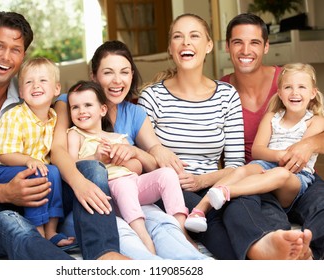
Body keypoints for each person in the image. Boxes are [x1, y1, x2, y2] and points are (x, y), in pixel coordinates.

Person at [0, 11, 127, 260]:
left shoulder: (26, 88)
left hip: (30, 195)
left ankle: (105, 255)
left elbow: (62, 101)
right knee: (10, 222)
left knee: (91, 170)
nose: (6, 56)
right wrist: (5, 193)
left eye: (15, 49)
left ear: (23, 56)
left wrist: (59, 111)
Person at [138, 13, 309, 260]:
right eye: (178, 37)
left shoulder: (226, 95)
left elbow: (236, 165)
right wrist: (161, 158)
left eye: (194, 36)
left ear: (208, 45)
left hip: (212, 182)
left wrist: (203, 181)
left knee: (239, 198)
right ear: (170, 48)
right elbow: (143, 162)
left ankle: (268, 243)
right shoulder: (151, 97)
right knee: (212, 217)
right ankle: (257, 255)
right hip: (171, 188)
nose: (186, 42)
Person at [53, 40, 211, 260]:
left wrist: (135, 152)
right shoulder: (72, 103)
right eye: (108, 72)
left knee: (162, 223)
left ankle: (201, 264)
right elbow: (58, 152)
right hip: (88, 197)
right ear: (94, 76)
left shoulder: (134, 113)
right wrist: (80, 182)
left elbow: (149, 163)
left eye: (125, 72)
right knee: (126, 231)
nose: (117, 80)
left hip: (129, 194)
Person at [218, 12, 322, 260]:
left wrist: (308, 144)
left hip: (300, 175)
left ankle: (311, 250)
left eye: (254, 42)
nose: (246, 50)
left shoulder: (289, 81)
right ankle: (281, 250)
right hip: (256, 176)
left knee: (322, 204)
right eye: (237, 42)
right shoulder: (219, 91)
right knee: (241, 210)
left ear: (266, 46)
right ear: (227, 47)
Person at [66, 80, 199, 254]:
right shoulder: (76, 134)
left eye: (88, 105)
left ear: (102, 110)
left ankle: (181, 228)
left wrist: (123, 156)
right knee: (123, 183)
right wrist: (96, 157)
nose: (81, 111)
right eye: (75, 107)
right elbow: (71, 164)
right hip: (111, 192)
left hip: (134, 185)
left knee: (167, 174)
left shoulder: (117, 137)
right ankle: (142, 235)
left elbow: (136, 168)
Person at [187, 63, 324, 232]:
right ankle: (199, 210)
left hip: (296, 175)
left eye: (302, 87)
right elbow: (258, 150)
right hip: (266, 166)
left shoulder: (316, 121)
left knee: (280, 173)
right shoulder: (271, 118)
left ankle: (227, 191)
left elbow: (297, 158)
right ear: (280, 93)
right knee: (241, 170)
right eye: (288, 87)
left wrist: (283, 159)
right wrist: (278, 155)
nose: (295, 92)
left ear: (313, 93)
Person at [0, 57, 76, 248]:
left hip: (35, 170)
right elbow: (4, 153)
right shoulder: (15, 116)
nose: (36, 85)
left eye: (43, 80)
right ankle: (37, 233)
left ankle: (51, 231)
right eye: (29, 82)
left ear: (56, 89)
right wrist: (28, 160)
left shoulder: (53, 118)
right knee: (39, 173)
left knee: (53, 172)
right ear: (21, 91)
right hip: (1, 171)